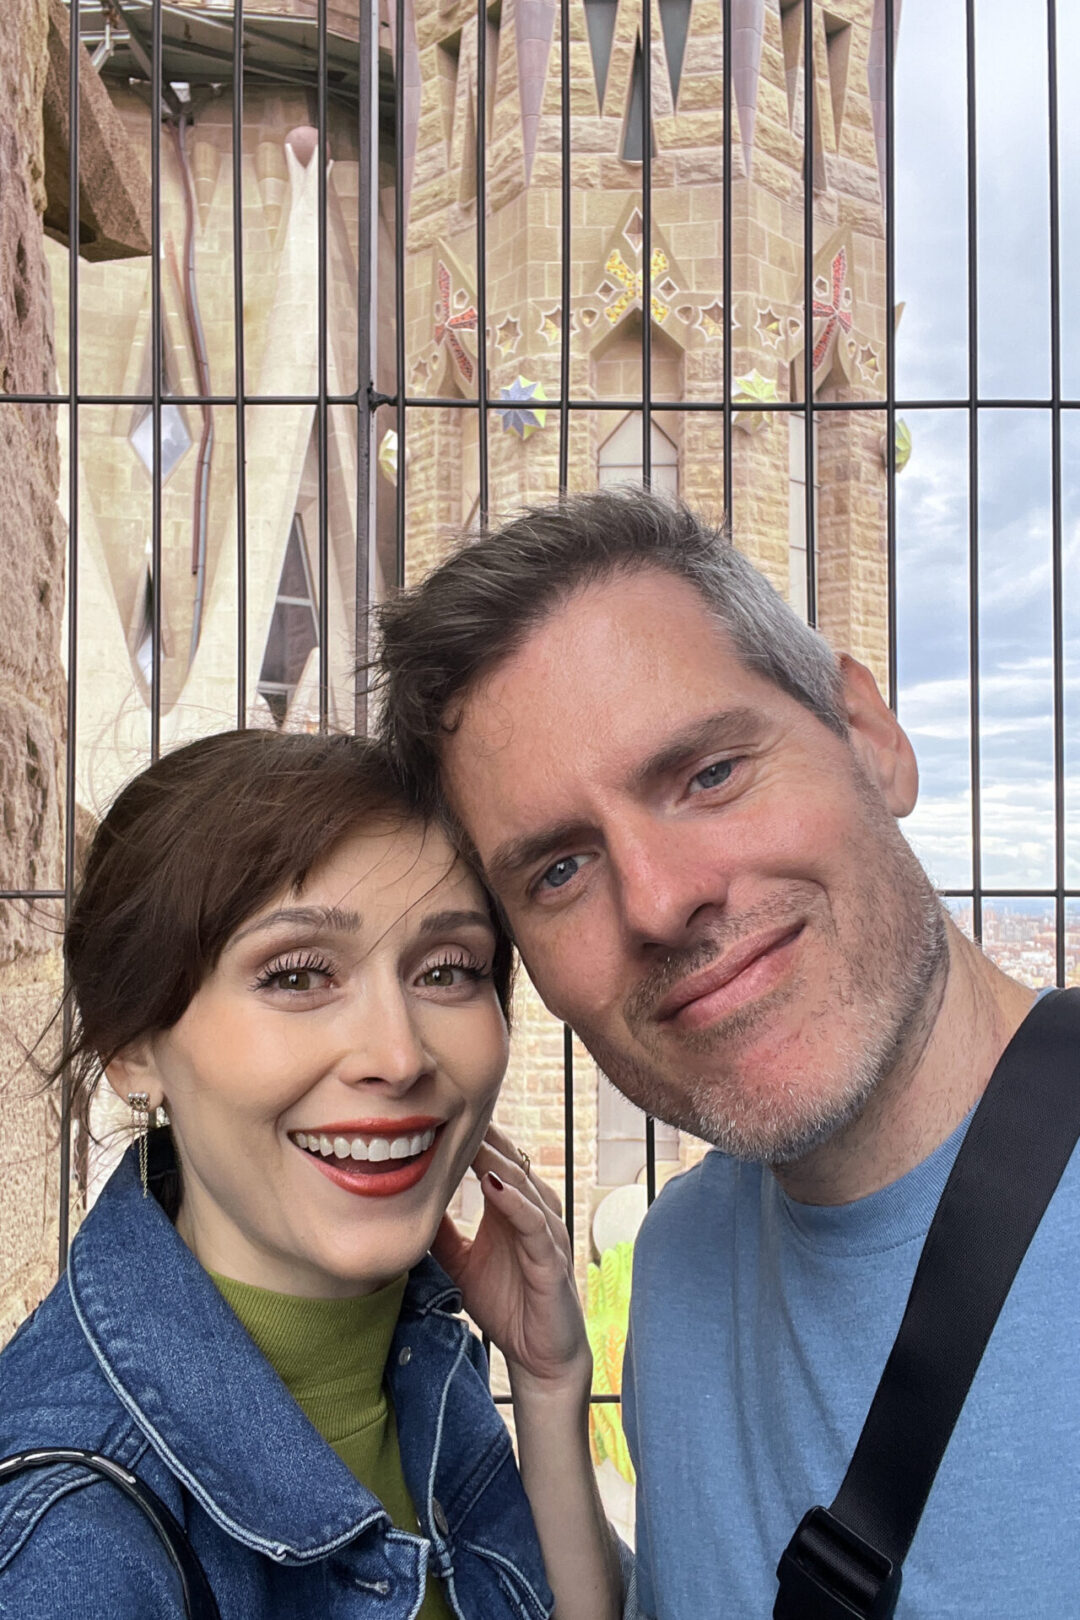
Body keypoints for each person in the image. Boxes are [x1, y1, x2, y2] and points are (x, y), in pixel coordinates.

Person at [371, 487, 1080, 1618]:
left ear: (871, 738)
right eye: (558, 870)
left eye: (708, 775)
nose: (658, 900)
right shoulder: (681, 1265)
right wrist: (553, 1391)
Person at [0, 729, 623, 1619]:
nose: (398, 1054)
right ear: (131, 1044)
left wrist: (549, 1384)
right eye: (296, 976)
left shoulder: (419, 1341)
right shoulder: (71, 1541)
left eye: (448, 970)